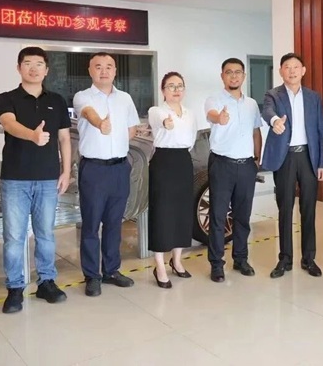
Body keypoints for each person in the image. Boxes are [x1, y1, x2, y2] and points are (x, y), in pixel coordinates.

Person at [0, 46, 71, 313]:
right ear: (19, 68)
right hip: (15, 179)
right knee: (14, 237)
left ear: (46, 70)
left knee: (46, 235)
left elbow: (64, 138)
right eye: (28, 63)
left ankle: (46, 283)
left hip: (48, 178)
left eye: (39, 64)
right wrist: (33, 136)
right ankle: (15, 288)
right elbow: (8, 123)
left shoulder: (57, 100)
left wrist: (66, 172)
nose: (33, 68)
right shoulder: (7, 98)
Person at [73, 52, 140, 297]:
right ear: (90, 71)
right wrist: (100, 123)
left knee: (114, 223)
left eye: (109, 66)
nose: (104, 71)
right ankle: (92, 276)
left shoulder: (125, 98)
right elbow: (88, 113)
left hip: (120, 168)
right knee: (91, 225)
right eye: (98, 66)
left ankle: (111, 270)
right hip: (94, 170)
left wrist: (116, 138)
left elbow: (132, 129)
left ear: (115, 71)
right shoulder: (82, 96)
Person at [261, 53, 323, 279]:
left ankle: (309, 259)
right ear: (281, 71)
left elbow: (320, 130)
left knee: (308, 209)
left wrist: (321, 163)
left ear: (303, 70)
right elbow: (267, 111)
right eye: (287, 67)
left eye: (296, 67)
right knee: (285, 208)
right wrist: (274, 122)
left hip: (308, 157)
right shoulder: (273, 94)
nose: (291, 71)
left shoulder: (313, 97)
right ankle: (285, 259)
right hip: (285, 158)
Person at [204, 58, 263, 283]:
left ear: (244, 76)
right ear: (222, 76)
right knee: (218, 216)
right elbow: (211, 115)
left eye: (238, 72)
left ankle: (241, 259)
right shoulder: (214, 100)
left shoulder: (252, 104)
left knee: (243, 216)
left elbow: (256, 132)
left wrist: (257, 159)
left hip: (246, 165)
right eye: (229, 72)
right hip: (222, 165)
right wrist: (219, 118)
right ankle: (216, 264)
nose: (234, 76)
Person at [147, 72, 197, 288]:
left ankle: (176, 260)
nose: (176, 90)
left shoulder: (190, 113)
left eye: (180, 86)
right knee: (162, 212)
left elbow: (192, 138)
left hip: (183, 161)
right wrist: (166, 123)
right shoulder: (156, 111)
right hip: (163, 162)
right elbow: (161, 122)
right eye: (171, 86)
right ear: (163, 90)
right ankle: (159, 265)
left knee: (182, 211)